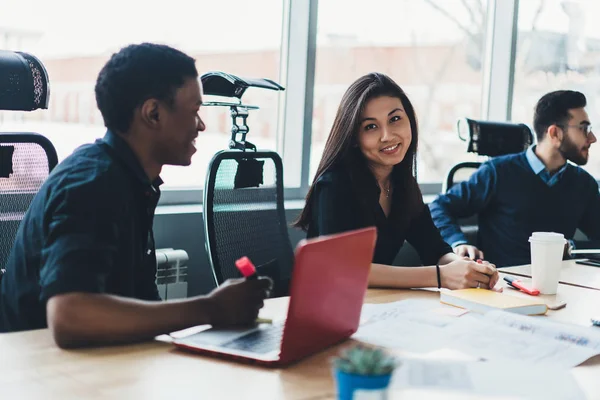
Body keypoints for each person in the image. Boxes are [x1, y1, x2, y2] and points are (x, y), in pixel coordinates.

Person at [0, 43, 271, 347]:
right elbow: (69, 317)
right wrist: (211, 308)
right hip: (39, 376)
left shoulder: (134, 181)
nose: (201, 125)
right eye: (194, 111)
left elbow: (141, 299)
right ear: (153, 113)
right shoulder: (94, 183)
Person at [294, 72, 498, 290]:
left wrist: (465, 268)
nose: (387, 135)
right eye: (371, 127)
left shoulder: (402, 183)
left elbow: (435, 250)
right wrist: (441, 277)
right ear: (353, 138)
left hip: (375, 306)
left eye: (395, 119)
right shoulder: (335, 185)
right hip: (325, 306)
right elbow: (345, 269)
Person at [430, 90, 600, 267]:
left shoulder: (584, 184)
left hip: (560, 284)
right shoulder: (497, 172)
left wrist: (571, 247)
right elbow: (439, 207)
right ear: (555, 133)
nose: (592, 138)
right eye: (584, 128)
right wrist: (458, 243)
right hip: (502, 284)